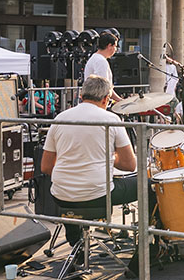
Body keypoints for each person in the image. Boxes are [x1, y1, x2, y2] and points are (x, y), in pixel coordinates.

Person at [39, 75, 150, 248]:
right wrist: (110, 157)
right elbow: (130, 165)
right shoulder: (111, 119)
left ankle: (76, 242)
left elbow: (45, 167)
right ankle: (148, 248)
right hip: (98, 196)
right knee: (150, 186)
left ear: (82, 95)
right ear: (106, 99)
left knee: (72, 194)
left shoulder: (60, 117)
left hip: (60, 196)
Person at [83, 32, 122, 102]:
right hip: (98, 101)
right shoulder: (101, 61)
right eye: (115, 46)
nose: (116, 49)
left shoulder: (96, 58)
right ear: (109, 46)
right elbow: (103, 87)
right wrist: (120, 100)